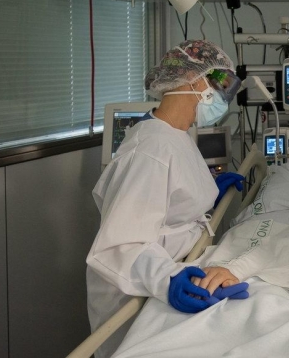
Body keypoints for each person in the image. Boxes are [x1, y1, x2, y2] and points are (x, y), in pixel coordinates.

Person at [86, 40, 247, 358]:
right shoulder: (150, 149)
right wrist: (167, 279)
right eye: (222, 86)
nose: (224, 98)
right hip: (133, 294)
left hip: (181, 260)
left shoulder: (175, 133)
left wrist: (209, 196)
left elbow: (168, 201)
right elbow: (121, 244)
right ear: (197, 80)